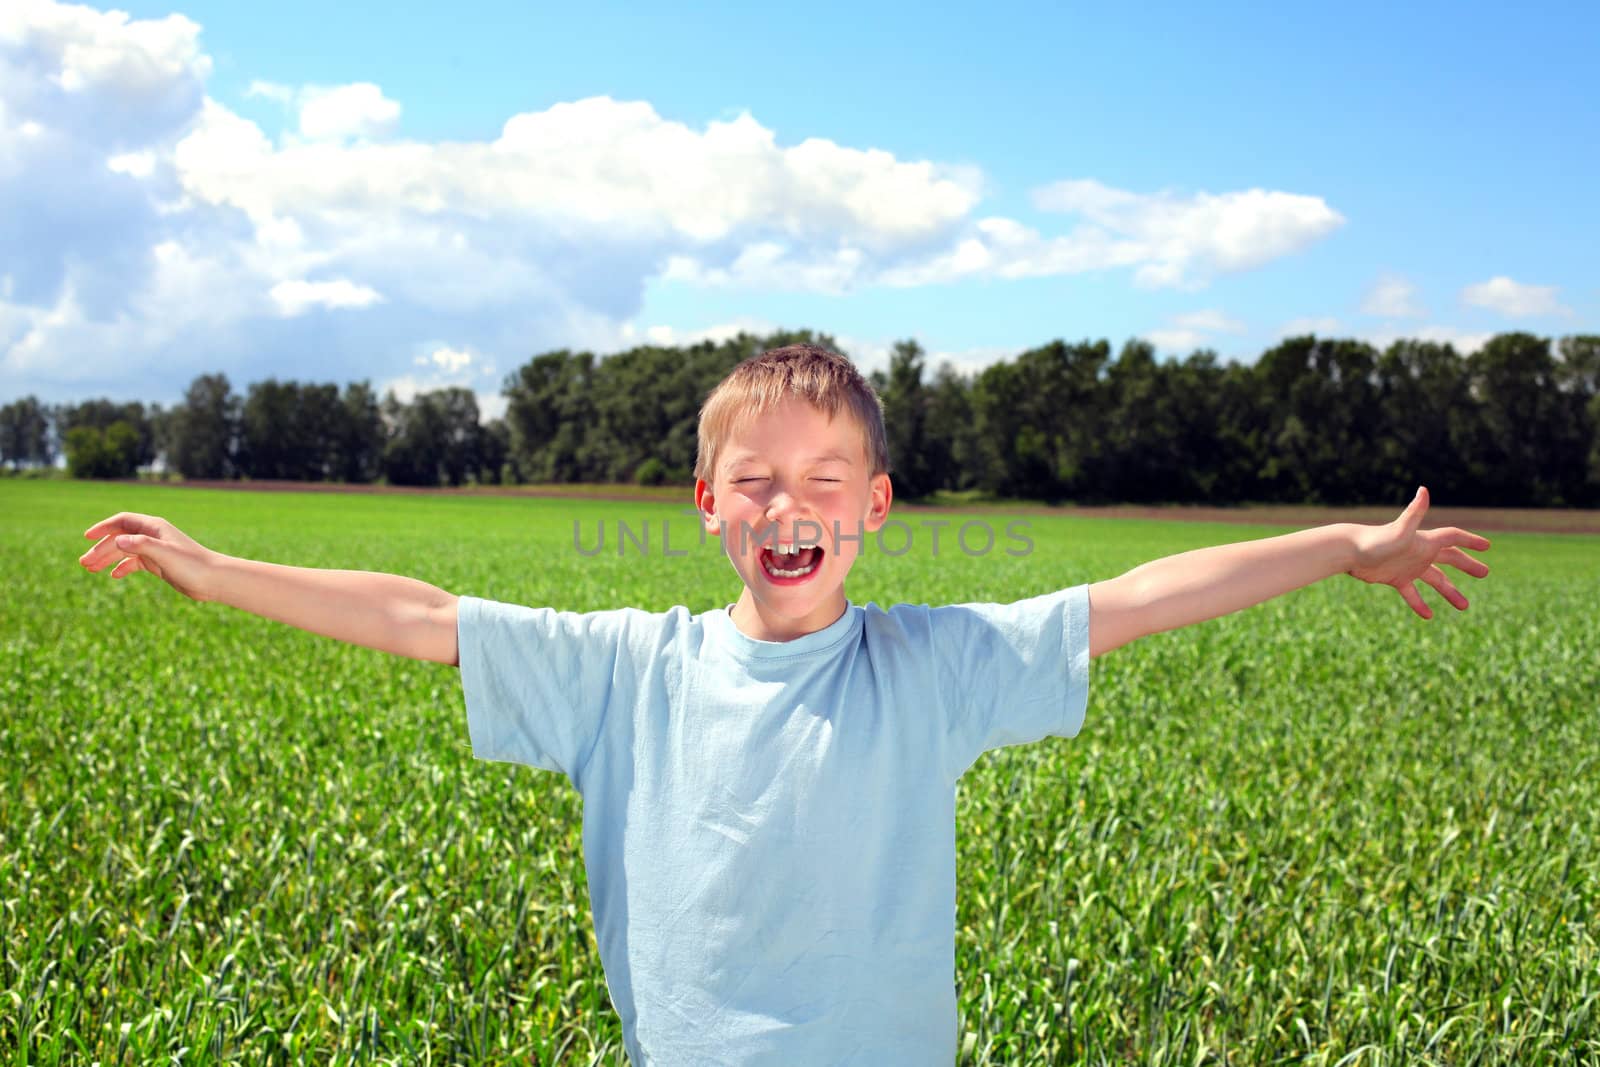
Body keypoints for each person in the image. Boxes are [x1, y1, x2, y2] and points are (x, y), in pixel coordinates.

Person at [79, 343, 1491, 1065]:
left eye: (826, 482)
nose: (789, 506)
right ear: (708, 506)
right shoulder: (625, 671)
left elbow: (1145, 593)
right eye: (756, 480)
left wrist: (1342, 549)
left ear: (873, 509)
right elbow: (422, 616)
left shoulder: (933, 669)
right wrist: (218, 573)